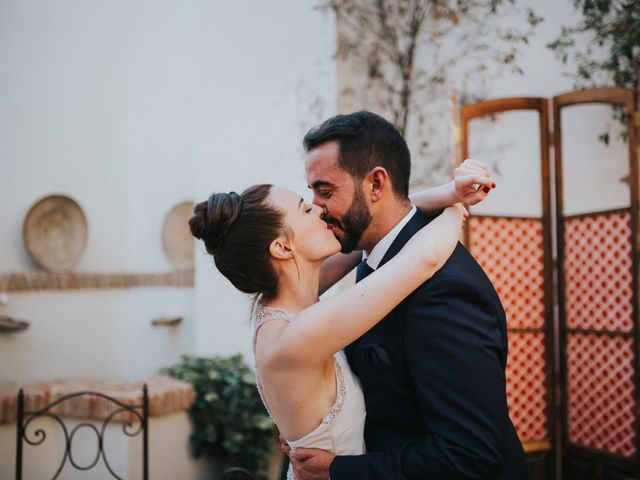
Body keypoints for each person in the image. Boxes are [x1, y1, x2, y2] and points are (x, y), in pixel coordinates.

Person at [189, 163, 490, 479]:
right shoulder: (296, 337)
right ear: (281, 247)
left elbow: (380, 225)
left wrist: (450, 192)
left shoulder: (289, 300)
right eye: (305, 210)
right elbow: (424, 260)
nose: (319, 211)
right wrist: (455, 211)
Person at [289, 111, 530, 480]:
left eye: (325, 190)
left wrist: (340, 471)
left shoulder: (446, 292)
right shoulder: (377, 258)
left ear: (375, 184)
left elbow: (471, 452)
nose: (317, 207)